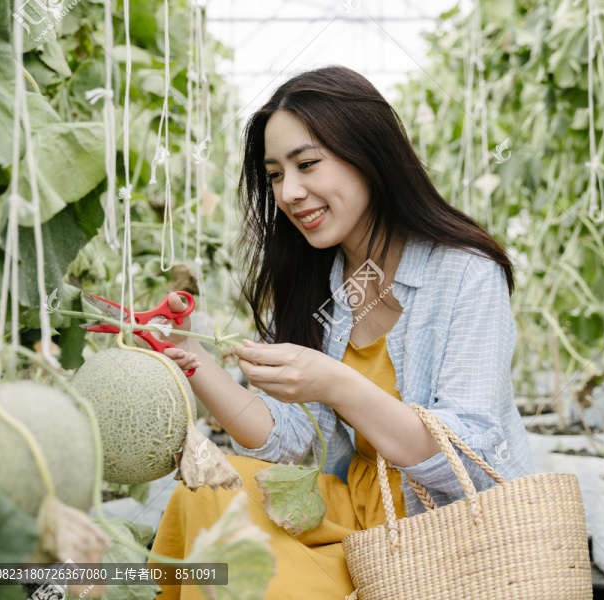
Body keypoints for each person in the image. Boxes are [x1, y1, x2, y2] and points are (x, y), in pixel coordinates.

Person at [148, 65, 532, 599]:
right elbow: (289, 438)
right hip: (356, 529)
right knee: (205, 494)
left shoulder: (465, 272)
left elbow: (463, 458)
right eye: (276, 174)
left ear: (369, 156)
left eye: (307, 164)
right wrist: (188, 354)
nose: (290, 192)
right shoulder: (321, 282)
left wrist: (333, 382)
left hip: (450, 543)